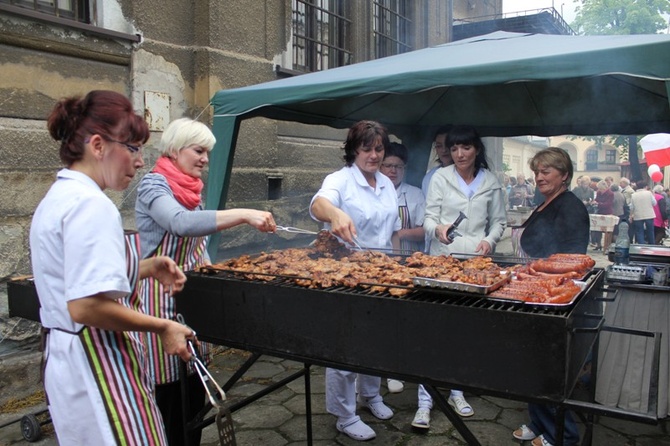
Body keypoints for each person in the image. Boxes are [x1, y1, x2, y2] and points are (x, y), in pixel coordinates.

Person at [30, 90, 195, 445]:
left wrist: (148, 266)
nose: (139, 161)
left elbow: (81, 276)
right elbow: (85, 304)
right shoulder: (92, 205)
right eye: (133, 148)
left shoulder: (59, 196)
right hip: (95, 364)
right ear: (98, 145)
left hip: (66, 360)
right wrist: (162, 326)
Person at [135, 117, 277, 445]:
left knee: (196, 382)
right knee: (172, 390)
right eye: (199, 150)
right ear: (175, 149)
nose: (205, 159)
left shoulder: (190, 188)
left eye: (207, 152)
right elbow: (181, 223)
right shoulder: (154, 186)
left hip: (195, 292)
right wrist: (244, 214)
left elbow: (197, 244)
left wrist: (218, 279)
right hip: (162, 297)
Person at [310, 120, 400, 441]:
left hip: (380, 272)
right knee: (344, 345)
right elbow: (319, 204)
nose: (374, 155)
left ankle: (371, 395)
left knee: (375, 339)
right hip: (345, 273)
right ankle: (344, 415)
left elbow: (389, 229)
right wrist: (335, 215)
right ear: (353, 150)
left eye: (379, 148)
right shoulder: (340, 180)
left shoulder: (387, 183)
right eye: (367, 148)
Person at [415, 125, 506, 429]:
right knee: (432, 329)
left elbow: (499, 222)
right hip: (441, 262)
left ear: (476, 149)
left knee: (463, 330)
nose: (459, 154)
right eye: (454, 149)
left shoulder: (491, 182)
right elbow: (428, 218)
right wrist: (437, 229)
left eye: (465, 148)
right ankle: (424, 401)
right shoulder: (440, 178)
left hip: (476, 265)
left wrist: (490, 241)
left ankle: (456, 390)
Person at [513, 147, 589, 446]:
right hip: (534, 290)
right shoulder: (546, 202)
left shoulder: (570, 207)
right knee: (531, 361)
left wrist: (543, 277)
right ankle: (539, 421)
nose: (539, 177)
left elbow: (573, 258)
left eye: (546, 171)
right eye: (537, 172)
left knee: (547, 365)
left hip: (552, 294)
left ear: (564, 175)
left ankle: (562, 435)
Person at [421, 126, 452, 196]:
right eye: (439, 146)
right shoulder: (430, 176)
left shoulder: (469, 174)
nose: (444, 150)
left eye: (448, 145)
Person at [630, 180, 656, 244]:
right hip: (649, 214)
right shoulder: (649, 193)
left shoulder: (633, 195)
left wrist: (631, 215)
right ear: (645, 186)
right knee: (650, 231)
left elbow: (631, 207)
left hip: (638, 215)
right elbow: (654, 203)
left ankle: (641, 245)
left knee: (639, 231)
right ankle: (651, 244)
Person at [592, 180, 614, 251]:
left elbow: (608, 204)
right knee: (597, 230)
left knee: (607, 230)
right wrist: (594, 202)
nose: (599, 190)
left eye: (601, 189)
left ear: (604, 188)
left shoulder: (610, 194)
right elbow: (596, 199)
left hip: (607, 212)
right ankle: (599, 244)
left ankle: (607, 246)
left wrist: (599, 204)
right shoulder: (598, 193)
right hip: (599, 212)